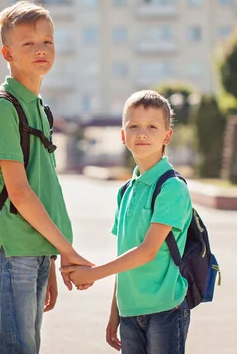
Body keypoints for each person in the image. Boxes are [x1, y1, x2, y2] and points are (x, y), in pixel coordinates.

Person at [0, 0, 92, 353]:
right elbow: (20, 194)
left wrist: (51, 258)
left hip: (35, 251)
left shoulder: (37, 107)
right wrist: (68, 251)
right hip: (13, 253)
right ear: (7, 52)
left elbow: (42, 188)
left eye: (48, 42)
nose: (41, 50)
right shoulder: (3, 107)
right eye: (29, 43)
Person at [61, 90, 193, 353]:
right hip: (130, 312)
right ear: (122, 135)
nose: (142, 133)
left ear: (167, 135)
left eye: (152, 127)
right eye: (133, 126)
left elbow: (147, 251)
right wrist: (115, 311)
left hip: (165, 309)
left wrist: (92, 274)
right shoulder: (126, 191)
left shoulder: (171, 188)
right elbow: (125, 254)